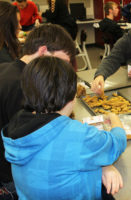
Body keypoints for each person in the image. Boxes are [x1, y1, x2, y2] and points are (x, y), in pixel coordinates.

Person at [1, 56, 127, 199]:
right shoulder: (77, 136)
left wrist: (102, 165)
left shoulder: (15, 125)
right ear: (72, 96)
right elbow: (116, 143)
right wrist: (115, 119)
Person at [0, 24, 76, 199]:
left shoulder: (6, 68)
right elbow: (41, 142)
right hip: (11, 176)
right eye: (60, 63)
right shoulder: (23, 87)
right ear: (43, 51)